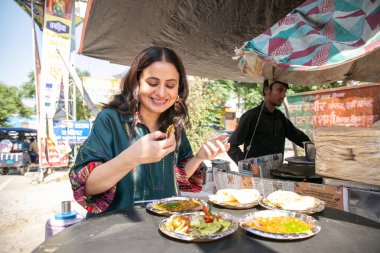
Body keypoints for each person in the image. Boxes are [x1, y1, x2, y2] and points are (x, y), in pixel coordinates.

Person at [69, 46, 228, 218]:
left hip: (165, 228)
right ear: (136, 82)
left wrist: (199, 157)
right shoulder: (110, 120)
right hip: (114, 234)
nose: (161, 92)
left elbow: (178, 178)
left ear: (178, 89)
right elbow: (86, 187)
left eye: (170, 85)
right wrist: (133, 157)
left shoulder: (173, 125)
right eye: (152, 83)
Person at [227, 79, 310, 165]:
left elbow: (298, 137)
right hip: (257, 176)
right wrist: (247, 165)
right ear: (266, 90)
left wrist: (316, 148)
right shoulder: (251, 116)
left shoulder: (280, 117)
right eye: (280, 90)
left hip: (277, 173)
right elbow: (231, 146)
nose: (283, 95)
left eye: (285, 92)